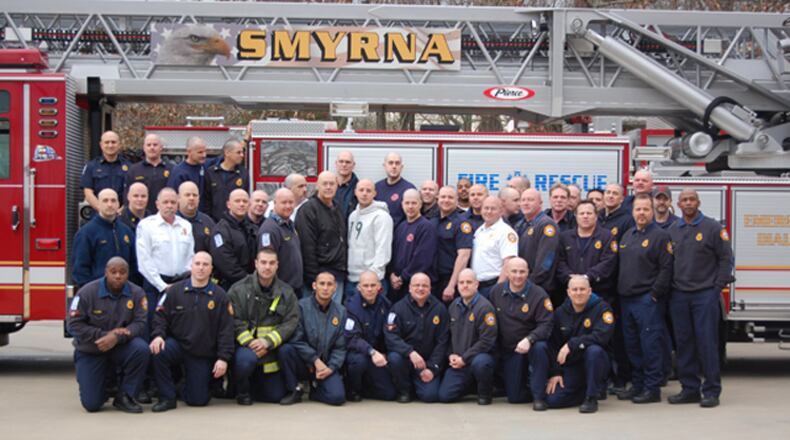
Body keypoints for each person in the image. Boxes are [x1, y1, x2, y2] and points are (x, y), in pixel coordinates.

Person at [667, 189, 733, 408]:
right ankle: (690, 389)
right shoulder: (674, 229)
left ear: (698, 202)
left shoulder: (713, 228)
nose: (688, 203)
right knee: (684, 344)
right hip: (679, 295)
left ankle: (712, 390)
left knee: (707, 344)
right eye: (684, 200)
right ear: (678, 204)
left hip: (705, 295)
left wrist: (716, 288)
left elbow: (726, 259)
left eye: (691, 199)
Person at [149, 252, 234, 411]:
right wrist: (158, 335)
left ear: (211, 269)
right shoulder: (174, 291)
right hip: (179, 345)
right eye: (197, 264)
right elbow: (160, 317)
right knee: (158, 350)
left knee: (198, 400)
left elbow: (226, 330)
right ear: (191, 266)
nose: (201, 268)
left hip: (201, 352)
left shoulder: (220, 296)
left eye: (205, 265)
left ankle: (184, 385)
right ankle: (167, 398)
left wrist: (223, 358)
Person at [67, 257, 149, 413]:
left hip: (120, 346)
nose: (118, 276)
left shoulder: (137, 293)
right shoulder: (87, 292)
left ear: (128, 274)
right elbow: (74, 325)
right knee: (92, 405)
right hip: (92, 349)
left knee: (141, 349)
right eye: (113, 272)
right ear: (106, 272)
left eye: (122, 272)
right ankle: (100, 384)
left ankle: (125, 396)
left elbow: (140, 323)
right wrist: (105, 335)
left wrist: (117, 338)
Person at [617, 194, 673, 404]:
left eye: (645, 210)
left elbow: (666, 268)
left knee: (650, 345)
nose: (641, 213)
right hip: (627, 299)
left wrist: (654, 294)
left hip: (646, 300)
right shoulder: (628, 235)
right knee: (632, 345)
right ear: (632, 212)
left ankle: (652, 388)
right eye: (638, 209)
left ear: (652, 211)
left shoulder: (660, 236)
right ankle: (638, 385)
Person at [228, 248, 300, 405]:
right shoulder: (238, 289)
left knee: (274, 397)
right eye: (263, 262)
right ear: (256, 264)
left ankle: (256, 385)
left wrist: (267, 342)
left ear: (277, 265)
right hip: (246, 348)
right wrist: (250, 342)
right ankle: (242, 392)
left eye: (271, 263)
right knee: (245, 361)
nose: (267, 267)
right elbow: (233, 320)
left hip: (270, 350)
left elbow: (291, 321)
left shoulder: (286, 292)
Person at [543, 275, 615, 413]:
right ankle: (584, 390)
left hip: (596, 362)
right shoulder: (560, 312)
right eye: (574, 289)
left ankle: (591, 397)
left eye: (582, 289)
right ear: (568, 292)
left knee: (594, 350)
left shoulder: (602, 309)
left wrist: (572, 344)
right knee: (553, 400)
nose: (578, 293)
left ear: (589, 291)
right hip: (573, 365)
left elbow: (602, 337)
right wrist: (556, 372)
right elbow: (554, 344)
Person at [489, 258, 553, 407]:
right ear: (506, 272)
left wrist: (530, 339)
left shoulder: (539, 294)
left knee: (540, 347)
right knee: (514, 397)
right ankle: (530, 387)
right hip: (511, 350)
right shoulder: (496, 292)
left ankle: (539, 397)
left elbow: (547, 324)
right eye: (514, 271)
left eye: (522, 271)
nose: (518, 275)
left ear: (528, 273)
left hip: (531, 346)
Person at [279, 272, 347, 406]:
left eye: (329, 284)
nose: (325, 288)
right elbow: (296, 339)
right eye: (322, 284)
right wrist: (314, 360)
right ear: (314, 286)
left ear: (335, 288)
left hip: (326, 365)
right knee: (285, 350)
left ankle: (315, 392)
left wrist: (331, 367)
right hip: (304, 363)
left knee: (337, 398)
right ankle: (294, 390)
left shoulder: (341, 311)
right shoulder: (301, 307)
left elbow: (341, 346)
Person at [385, 273, 449, 403]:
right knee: (394, 358)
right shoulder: (398, 308)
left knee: (430, 396)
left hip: (427, 363)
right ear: (409, 288)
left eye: (424, 285)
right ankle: (405, 391)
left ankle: (419, 384)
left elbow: (443, 342)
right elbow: (391, 337)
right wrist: (410, 352)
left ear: (430, 288)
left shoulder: (440, 309)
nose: (420, 288)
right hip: (406, 360)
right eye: (417, 285)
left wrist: (432, 368)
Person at [438, 269, 498, 405]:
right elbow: (448, 336)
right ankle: (470, 385)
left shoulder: (485, 308)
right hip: (459, 361)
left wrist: (465, 359)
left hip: (478, 358)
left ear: (476, 284)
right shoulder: (454, 306)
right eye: (461, 282)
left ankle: (485, 393)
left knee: (481, 363)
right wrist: (451, 355)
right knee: (445, 396)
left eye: (469, 282)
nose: (465, 285)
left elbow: (487, 341)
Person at [136, 188, 194, 326]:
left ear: (178, 203)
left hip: (180, 284)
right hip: (155, 285)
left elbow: (190, 256)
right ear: (157, 204)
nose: (169, 205)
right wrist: (162, 286)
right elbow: (144, 260)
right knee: (154, 326)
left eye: (173, 202)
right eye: (165, 202)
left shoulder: (185, 225)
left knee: (179, 325)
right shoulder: (146, 226)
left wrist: (181, 283)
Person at [296, 171, 347, 303]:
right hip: (318, 278)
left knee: (334, 319)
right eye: (325, 184)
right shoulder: (308, 210)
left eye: (332, 184)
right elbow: (307, 248)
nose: (328, 187)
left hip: (337, 276)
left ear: (337, 186)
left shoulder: (337, 208)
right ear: (317, 186)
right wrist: (314, 280)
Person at [344, 272, 396, 401]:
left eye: (373, 285)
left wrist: (384, 352)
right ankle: (353, 389)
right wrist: (371, 352)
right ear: (358, 287)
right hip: (357, 353)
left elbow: (389, 331)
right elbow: (352, 339)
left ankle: (366, 386)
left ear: (379, 286)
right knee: (359, 361)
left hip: (376, 355)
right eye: (365, 285)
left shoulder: (385, 304)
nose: (369, 289)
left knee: (389, 394)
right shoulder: (351, 307)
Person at [72, 189, 136, 289]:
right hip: (98, 295)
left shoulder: (126, 231)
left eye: (113, 200)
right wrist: (92, 294)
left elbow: (134, 265)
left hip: (124, 294)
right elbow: (80, 270)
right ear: (98, 204)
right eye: (105, 201)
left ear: (118, 204)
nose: (110, 204)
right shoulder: (86, 233)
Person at [556, 200, 618, 301]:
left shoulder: (607, 237)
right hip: (571, 293)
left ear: (596, 216)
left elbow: (608, 262)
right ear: (576, 216)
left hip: (599, 293)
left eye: (589, 213)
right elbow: (559, 261)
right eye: (581, 213)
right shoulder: (565, 237)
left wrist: (587, 277)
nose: (585, 216)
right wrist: (570, 278)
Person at [346, 179, 393, 298]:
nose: (364, 193)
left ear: (374, 193)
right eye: (361, 190)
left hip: (371, 282)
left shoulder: (381, 217)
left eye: (368, 190)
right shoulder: (353, 216)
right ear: (355, 192)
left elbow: (383, 250)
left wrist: (371, 279)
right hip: (352, 279)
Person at [389, 189, 437, 302]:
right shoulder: (400, 227)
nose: (410, 206)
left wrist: (402, 278)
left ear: (420, 204)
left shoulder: (426, 227)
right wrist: (392, 275)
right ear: (402, 204)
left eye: (414, 203)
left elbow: (422, 259)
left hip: (416, 286)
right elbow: (394, 254)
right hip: (398, 285)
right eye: (407, 203)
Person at [471, 196, 518, 298]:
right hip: (477, 286)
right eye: (486, 208)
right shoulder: (479, 231)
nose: (489, 211)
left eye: (493, 208)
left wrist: (498, 289)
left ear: (501, 211)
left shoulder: (506, 232)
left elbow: (508, 263)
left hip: (493, 285)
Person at [257, 188, 303, 293]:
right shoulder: (269, 230)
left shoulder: (290, 225)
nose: (288, 206)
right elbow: (266, 265)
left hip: (293, 289)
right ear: (275, 203)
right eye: (284, 202)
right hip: (280, 291)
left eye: (291, 202)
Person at [516, 189, 560, 296]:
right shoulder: (520, 225)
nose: (526, 203)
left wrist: (530, 283)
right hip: (521, 284)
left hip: (539, 288)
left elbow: (546, 261)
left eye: (530, 200)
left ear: (540, 203)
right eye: (523, 200)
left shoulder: (546, 225)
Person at [210, 189, 256, 290]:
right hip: (229, 286)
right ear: (228, 204)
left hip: (250, 285)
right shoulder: (220, 230)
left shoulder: (251, 227)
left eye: (245, 201)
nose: (241, 204)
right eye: (237, 201)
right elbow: (225, 263)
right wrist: (249, 280)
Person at [433, 186, 472, 302]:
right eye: (443, 197)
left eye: (450, 197)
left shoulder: (461, 223)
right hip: (433, 279)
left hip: (449, 279)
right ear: (437, 199)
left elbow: (464, 256)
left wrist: (451, 285)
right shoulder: (432, 220)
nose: (446, 200)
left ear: (457, 200)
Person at [81, 131, 129, 212]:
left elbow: (133, 193)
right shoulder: (91, 167)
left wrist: (121, 211)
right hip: (98, 215)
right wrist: (102, 210)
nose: (110, 145)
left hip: (122, 216)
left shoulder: (130, 168)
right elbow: (88, 193)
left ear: (119, 145)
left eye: (113, 142)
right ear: (101, 145)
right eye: (107, 142)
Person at [204, 138, 249, 222]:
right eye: (238, 152)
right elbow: (206, 201)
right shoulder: (211, 173)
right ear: (227, 153)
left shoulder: (243, 174)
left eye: (242, 152)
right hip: (215, 222)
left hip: (237, 223)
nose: (242, 155)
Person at [124, 133, 171, 213]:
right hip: (140, 215)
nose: (152, 147)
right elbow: (126, 196)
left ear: (161, 147)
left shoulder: (171, 169)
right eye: (148, 145)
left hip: (165, 215)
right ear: (144, 148)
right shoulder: (134, 170)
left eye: (155, 145)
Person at [375, 152, 416, 227]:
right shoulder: (376, 188)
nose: (394, 166)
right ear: (384, 166)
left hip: (400, 236)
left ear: (401, 166)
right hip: (379, 234)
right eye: (390, 163)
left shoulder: (409, 189)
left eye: (397, 163)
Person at [166, 136, 207, 210]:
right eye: (200, 152)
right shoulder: (179, 172)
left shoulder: (205, 167)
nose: (204, 155)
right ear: (189, 152)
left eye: (205, 151)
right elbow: (172, 196)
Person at [176, 181, 216, 253]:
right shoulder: (172, 221)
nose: (191, 198)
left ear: (199, 199)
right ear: (178, 198)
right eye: (187, 195)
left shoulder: (208, 222)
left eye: (195, 195)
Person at [333, 151, 359, 219]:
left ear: (353, 165)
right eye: (341, 161)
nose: (344, 164)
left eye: (348, 162)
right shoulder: (328, 187)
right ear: (336, 164)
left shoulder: (359, 189)